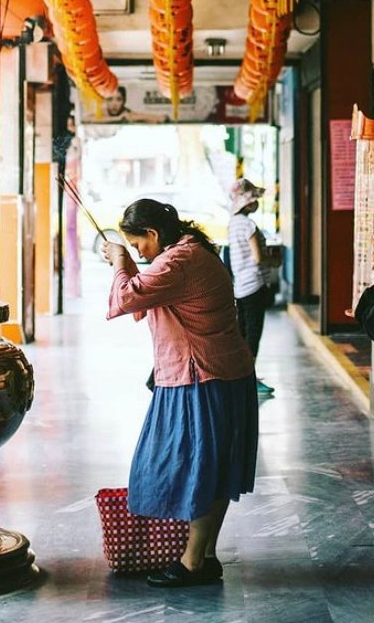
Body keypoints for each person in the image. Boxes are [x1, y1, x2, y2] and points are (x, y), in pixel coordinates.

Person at [103, 198, 258, 588]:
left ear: (153, 233)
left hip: (201, 378)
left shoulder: (178, 261)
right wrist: (129, 263)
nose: (139, 251)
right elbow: (146, 296)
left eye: (138, 243)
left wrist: (121, 262)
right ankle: (204, 555)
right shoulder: (190, 251)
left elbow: (127, 298)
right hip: (222, 374)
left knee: (199, 469)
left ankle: (192, 561)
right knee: (215, 469)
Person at [228, 178, 277, 396]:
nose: (256, 203)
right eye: (254, 199)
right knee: (253, 334)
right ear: (248, 203)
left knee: (243, 332)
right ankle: (249, 379)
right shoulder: (249, 225)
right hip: (255, 285)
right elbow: (258, 257)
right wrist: (274, 261)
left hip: (240, 285)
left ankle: (241, 375)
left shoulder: (233, 223)